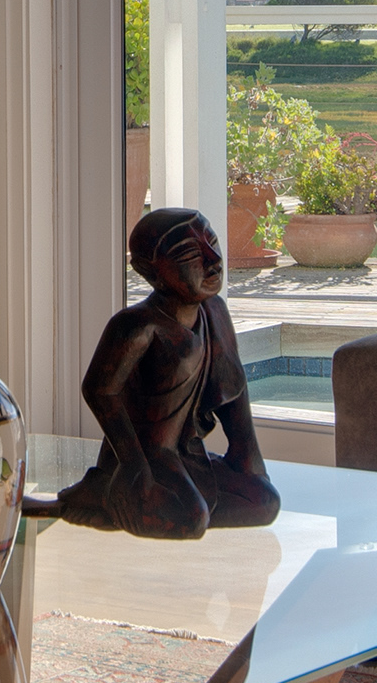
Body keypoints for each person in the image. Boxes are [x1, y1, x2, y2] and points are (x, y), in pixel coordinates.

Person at [43, 205, 282, 539]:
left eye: (212, 242)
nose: (213, 260)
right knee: (191, 520)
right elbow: (99, 390)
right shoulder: (137, 325)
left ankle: (176, 499)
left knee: (265, 503)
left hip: (188, 454)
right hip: (146, 457)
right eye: (190, 255)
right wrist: (133, 466)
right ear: (150, 272)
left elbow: (233, 387)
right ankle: (104, 493)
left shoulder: (214, 310)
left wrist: (248, 460)